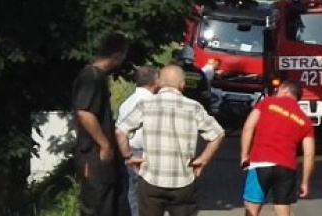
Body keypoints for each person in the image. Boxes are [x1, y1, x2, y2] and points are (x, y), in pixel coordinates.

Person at [116, 65, 225, 216]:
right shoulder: (194, 107)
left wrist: (128, 156)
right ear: (182, 84)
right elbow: (218, 133)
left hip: (150, 179)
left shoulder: (146, 105)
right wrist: (203, 159)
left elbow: (120, 132)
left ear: (159, 82)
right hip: (183, 181)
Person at [239, 79, 317, 216]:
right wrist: (305, 182)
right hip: (287, 167)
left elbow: (248, 127)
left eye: (278, 90)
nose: (276, 93)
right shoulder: (305, 120)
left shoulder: (267, 102)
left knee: (252, 206)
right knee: (282, 208)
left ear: (285, 90)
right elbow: (309, 154)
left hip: (260, 162)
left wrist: (244, 154)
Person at [73, 31, 129, 216]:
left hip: (102, 159)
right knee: (98, 207)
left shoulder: (97, 77)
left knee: (111, 205)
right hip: (94, 156)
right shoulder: (92, 77)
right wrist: (104, 144)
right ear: (117, 55)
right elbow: (85, 113)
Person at [117, 66, 160, 216]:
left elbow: (119, 131)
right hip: (144, 153)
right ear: (156, 81)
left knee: (131, 197)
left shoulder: (127, 102)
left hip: (127, 151)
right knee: (147, 201)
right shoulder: (153, 103)